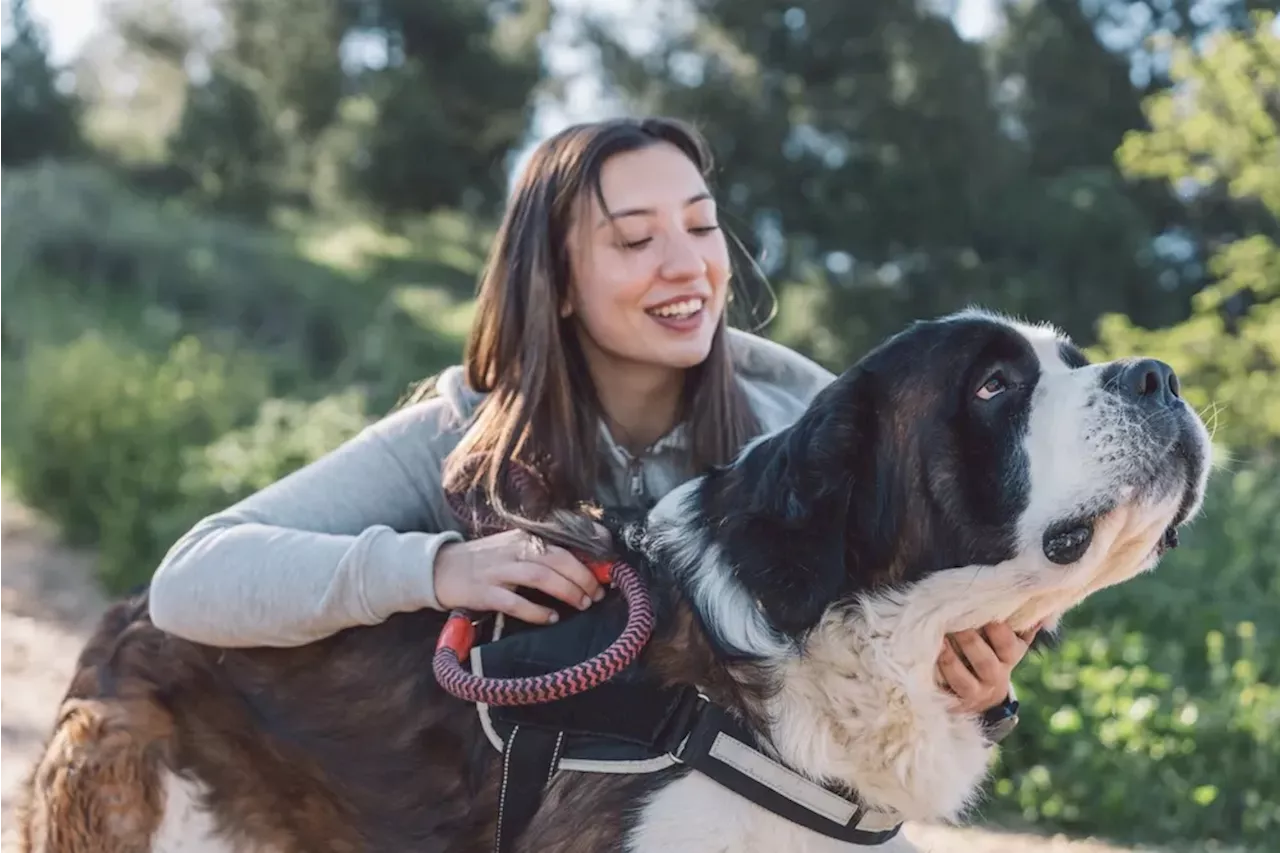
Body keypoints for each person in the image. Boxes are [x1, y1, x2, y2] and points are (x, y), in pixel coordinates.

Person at [148, 116, 1036, 740]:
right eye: (635, 239)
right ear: (558, 281)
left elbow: (899, 637)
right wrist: (435, 569)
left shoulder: (804, 425)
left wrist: (983, 693)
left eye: (701, 225)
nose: (687, 263)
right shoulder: (460, 436)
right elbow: (191, 580)